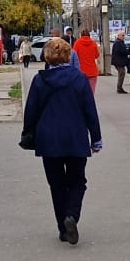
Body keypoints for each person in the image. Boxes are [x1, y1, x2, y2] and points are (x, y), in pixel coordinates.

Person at [21, 36, 102, 244]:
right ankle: (71, 216)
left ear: (46, 57)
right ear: (68, 55)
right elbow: (89, 110)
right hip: (76, 137)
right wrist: (96, 138)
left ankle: (63, 229)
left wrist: (28, 132)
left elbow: (31, 111)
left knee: (56, 185)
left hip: (48, 140)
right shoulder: (79, 79)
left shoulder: (40, 80)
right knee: (78, 182)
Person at [72, 25, 101, 91]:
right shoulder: (93, 43)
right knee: (91, 91)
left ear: (81, 35)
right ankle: (90, 101)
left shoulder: (77, 43)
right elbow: (97, 55)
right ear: (89, 35)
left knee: (81, 91)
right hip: (92, 71)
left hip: (80, 71)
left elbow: (73, 55)